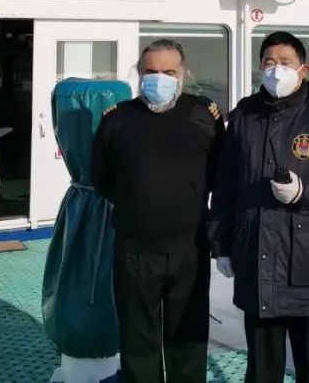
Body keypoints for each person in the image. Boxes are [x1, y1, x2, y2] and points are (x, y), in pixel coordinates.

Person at [211, 31, 309, 383]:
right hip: (257, 262)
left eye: (285, 63)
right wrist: (221, 244)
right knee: (262, 370)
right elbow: (225, 186)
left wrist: (304, 191)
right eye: (269, 62)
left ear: (303, 70)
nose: (275, 70)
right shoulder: (244, 119)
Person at [91, 39, 225, 382]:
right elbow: (102, 178)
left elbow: (218, 174)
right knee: (138, 343)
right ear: (139, 73)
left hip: (189, 250)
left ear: (183, 73)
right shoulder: (117, 119)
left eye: (168, 71)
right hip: (134, 251)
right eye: (151, 71)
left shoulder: (204, 116)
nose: (159, 78)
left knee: (188, 341)